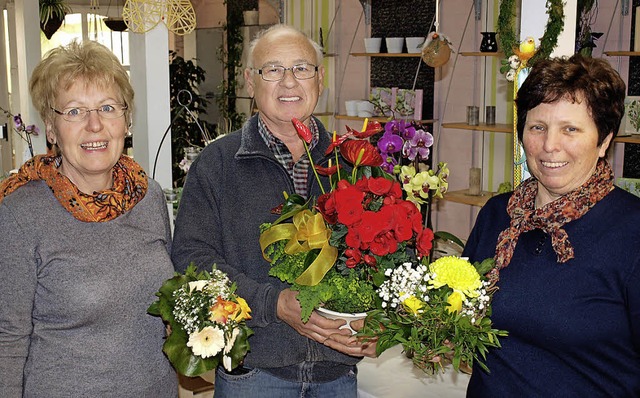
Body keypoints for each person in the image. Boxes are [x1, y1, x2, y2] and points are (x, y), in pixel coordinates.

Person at [171, 24, 375, 397]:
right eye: (272, 70)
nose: (289, 82)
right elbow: (191, 258)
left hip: (337, 374)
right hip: (254, 374)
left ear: (320, 78)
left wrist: (380, 323)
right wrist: (273, 303)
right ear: (251, 82)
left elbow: (384, 253)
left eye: (301, 68)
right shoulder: (218, 163)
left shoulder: (354, 163)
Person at [0, 41, 178, 397]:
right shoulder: (21, 214)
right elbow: (8, 339)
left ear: (126, 121)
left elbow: (169, 303)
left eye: (107, 108)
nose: (95, 125)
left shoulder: (149, 196)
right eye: (75, 112)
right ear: (51, 129)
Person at [463, 54, 640, 397]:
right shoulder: (499, 215)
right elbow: (453, 313)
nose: (549, 145)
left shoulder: (632, 232)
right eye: (537, 127)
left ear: (604, 140)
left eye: (570, 129)